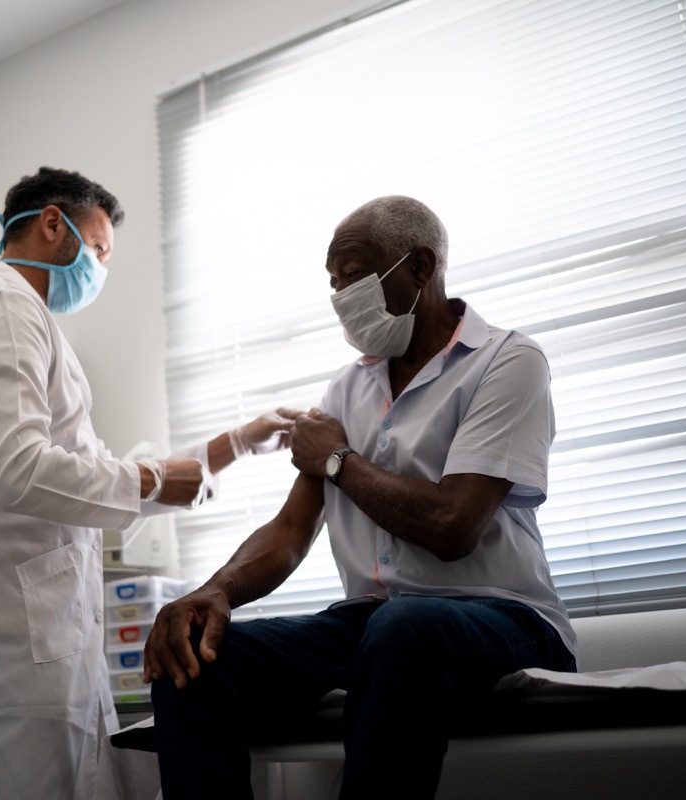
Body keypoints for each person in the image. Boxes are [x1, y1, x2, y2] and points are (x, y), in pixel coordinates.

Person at [144, 196, 577, 799]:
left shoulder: (507, 361)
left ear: (422, 267)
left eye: (355, 275)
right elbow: (292, 529)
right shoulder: (348, 387)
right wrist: (213, 591)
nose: (342, 295)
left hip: (504, 615)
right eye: (333, 282)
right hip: (377, 626)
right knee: (193, 654)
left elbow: (454, 525)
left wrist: (339, 460)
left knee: (401, 627)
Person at [0, 166, 298, 800]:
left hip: (33, 632)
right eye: (100, 250)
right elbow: (18, 467)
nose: (100, 271)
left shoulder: (29, 321)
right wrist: (151, 479)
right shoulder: (3, 305)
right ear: (53, 224)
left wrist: (238, 443)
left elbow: (91, 469)